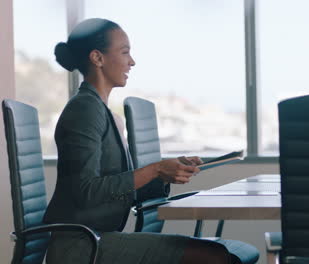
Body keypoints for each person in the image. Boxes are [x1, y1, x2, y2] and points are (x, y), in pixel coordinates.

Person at [43, 18, 232, 264]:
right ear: (97, 58)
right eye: (124, 52)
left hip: (97, 237)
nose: (131, 61)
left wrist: (165, 172)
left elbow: (116, 187)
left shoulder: (100, 110)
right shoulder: (85, 109)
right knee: (213, 257)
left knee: (216, 255)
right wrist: (154, 169)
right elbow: (86, 191)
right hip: (80, 245)